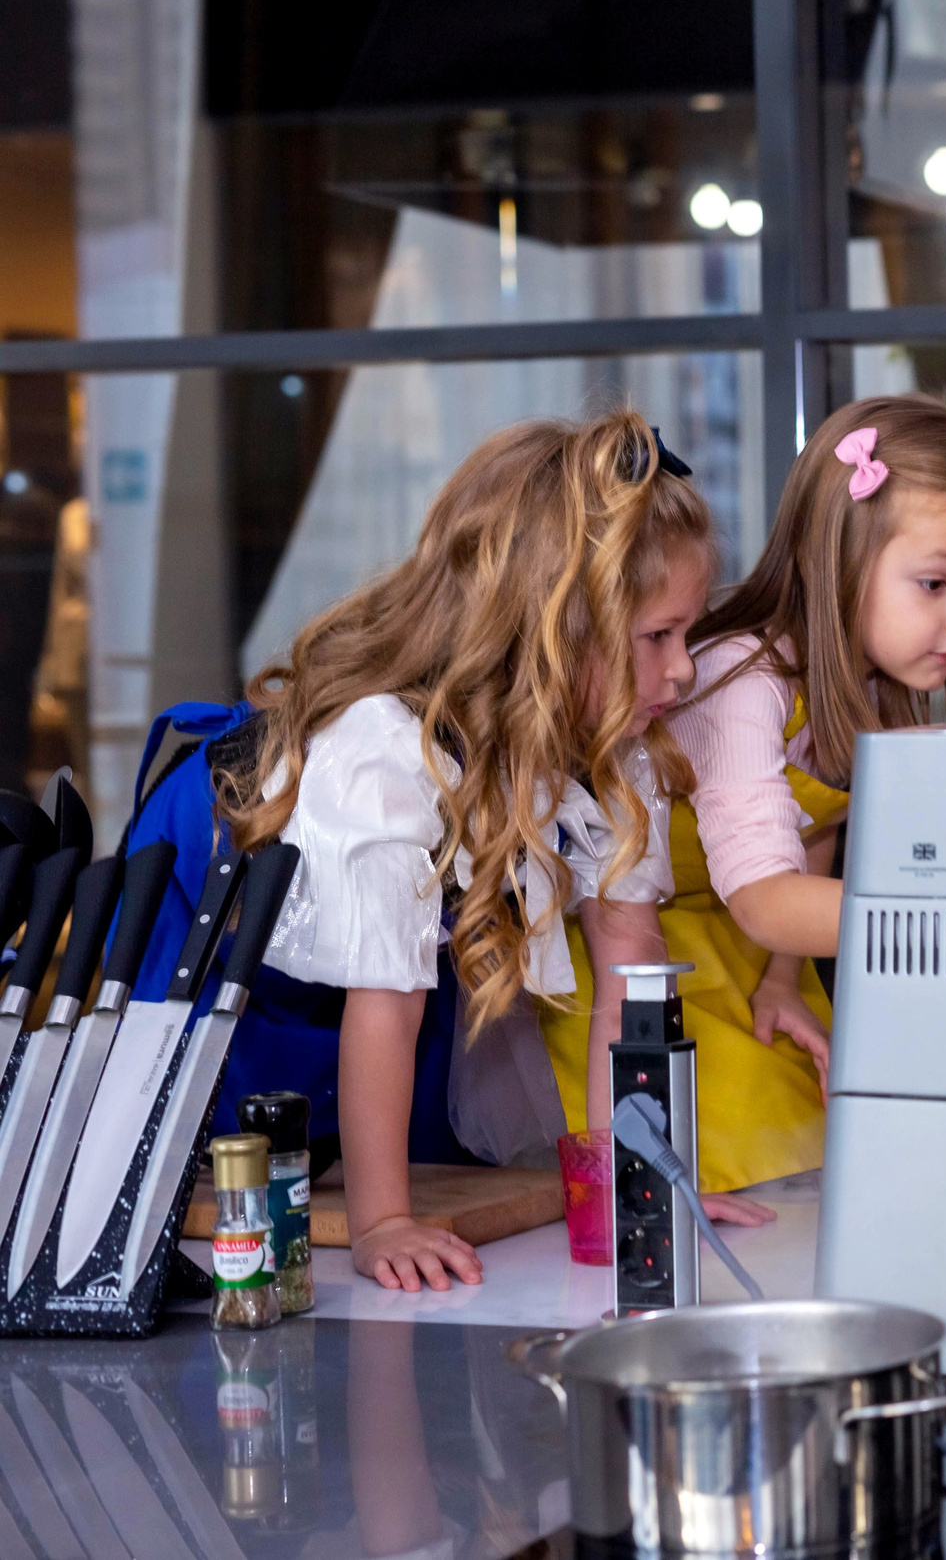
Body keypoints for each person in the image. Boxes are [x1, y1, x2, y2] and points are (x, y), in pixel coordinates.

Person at [219, 414, 772, 1294]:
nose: (682, 672)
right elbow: (385, 1006)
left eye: (687, 634)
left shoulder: (611, 748)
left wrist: (644, 1178)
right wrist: (384, 1222)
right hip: (256, 1054)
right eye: (656, 637)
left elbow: (629, 969)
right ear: (553, 630)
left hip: (395, 1070)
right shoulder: (385, 752)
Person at [544, 396, 946, 1192]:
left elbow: (808, 833)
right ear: (841, 557)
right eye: (937, 581)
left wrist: (779, 978)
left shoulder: (861, 686)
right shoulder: (745, 681)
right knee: (755, 1194)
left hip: (760, 966)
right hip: (646, 977)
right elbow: (768, 896)